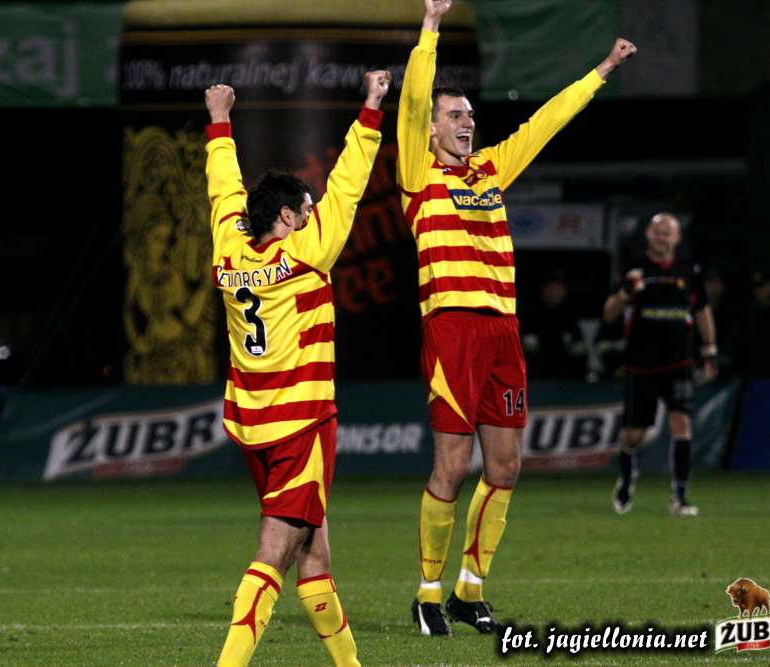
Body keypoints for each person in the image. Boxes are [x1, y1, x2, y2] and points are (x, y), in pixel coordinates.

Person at [397, 0, 637, 636]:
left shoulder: (492, 169)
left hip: (502, 328)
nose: (466, 123)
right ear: (430, 129)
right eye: (455, 116)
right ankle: (426, 592)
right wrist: (430, 28)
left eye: (469, 115)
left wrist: (601, 71)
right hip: (452, 328)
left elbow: (546, 121)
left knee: (505, 467)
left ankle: (469, 590)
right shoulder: (417, 172)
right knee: (452, 467)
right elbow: (414, 100)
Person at [206, 70, 389, 666]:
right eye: (305, 211)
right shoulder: (306, 255)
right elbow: (348, 187)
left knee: (314, 558)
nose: (313, 217)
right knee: (275, 555)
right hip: (301, 426)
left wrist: (219, 122)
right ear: (285, 218)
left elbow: (223, 190)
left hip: (254, 426)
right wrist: (370, 109)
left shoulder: (228, 246)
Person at [603, 212, 717, 517]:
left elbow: (702, 310)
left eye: (668, 232)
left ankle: (680, 497)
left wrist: (710, 350)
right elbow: (609, 313)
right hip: (641, 363)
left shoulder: (689, 270)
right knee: (635, 434)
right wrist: (626, 293)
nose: (662, 236)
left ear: (677, 238)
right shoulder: (635, 268)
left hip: (679, 361)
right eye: (657, 231)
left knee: (682, 424)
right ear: (648, 236)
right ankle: (627, 475)